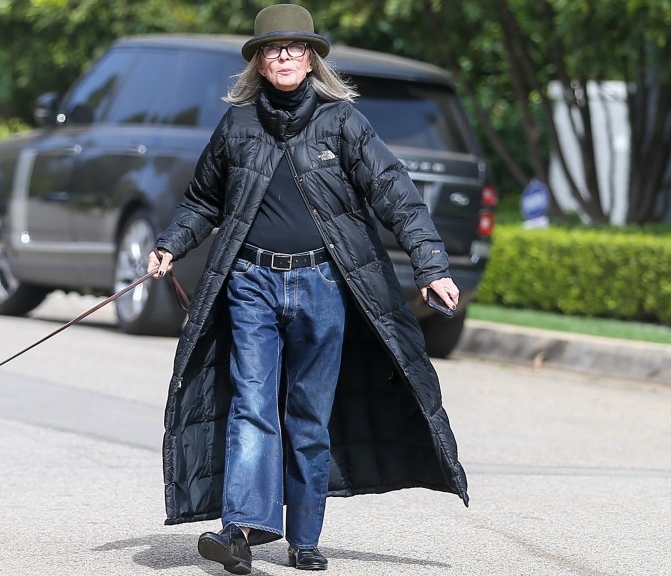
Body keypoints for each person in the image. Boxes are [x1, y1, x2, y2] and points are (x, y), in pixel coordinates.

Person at [148, 4, 469, 574]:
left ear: (313, 58)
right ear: (258, 62)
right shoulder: (238, 125)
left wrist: (432, 266)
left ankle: (305, 538)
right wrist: (172, 242)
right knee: (251, 405)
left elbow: (396, 193)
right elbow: (203, 199)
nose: (285, 57)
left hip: (323, 285)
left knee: (309, 415)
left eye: (296, 48)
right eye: (273, 49)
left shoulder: (342, 121)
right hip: (250, 281)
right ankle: (240, 531)